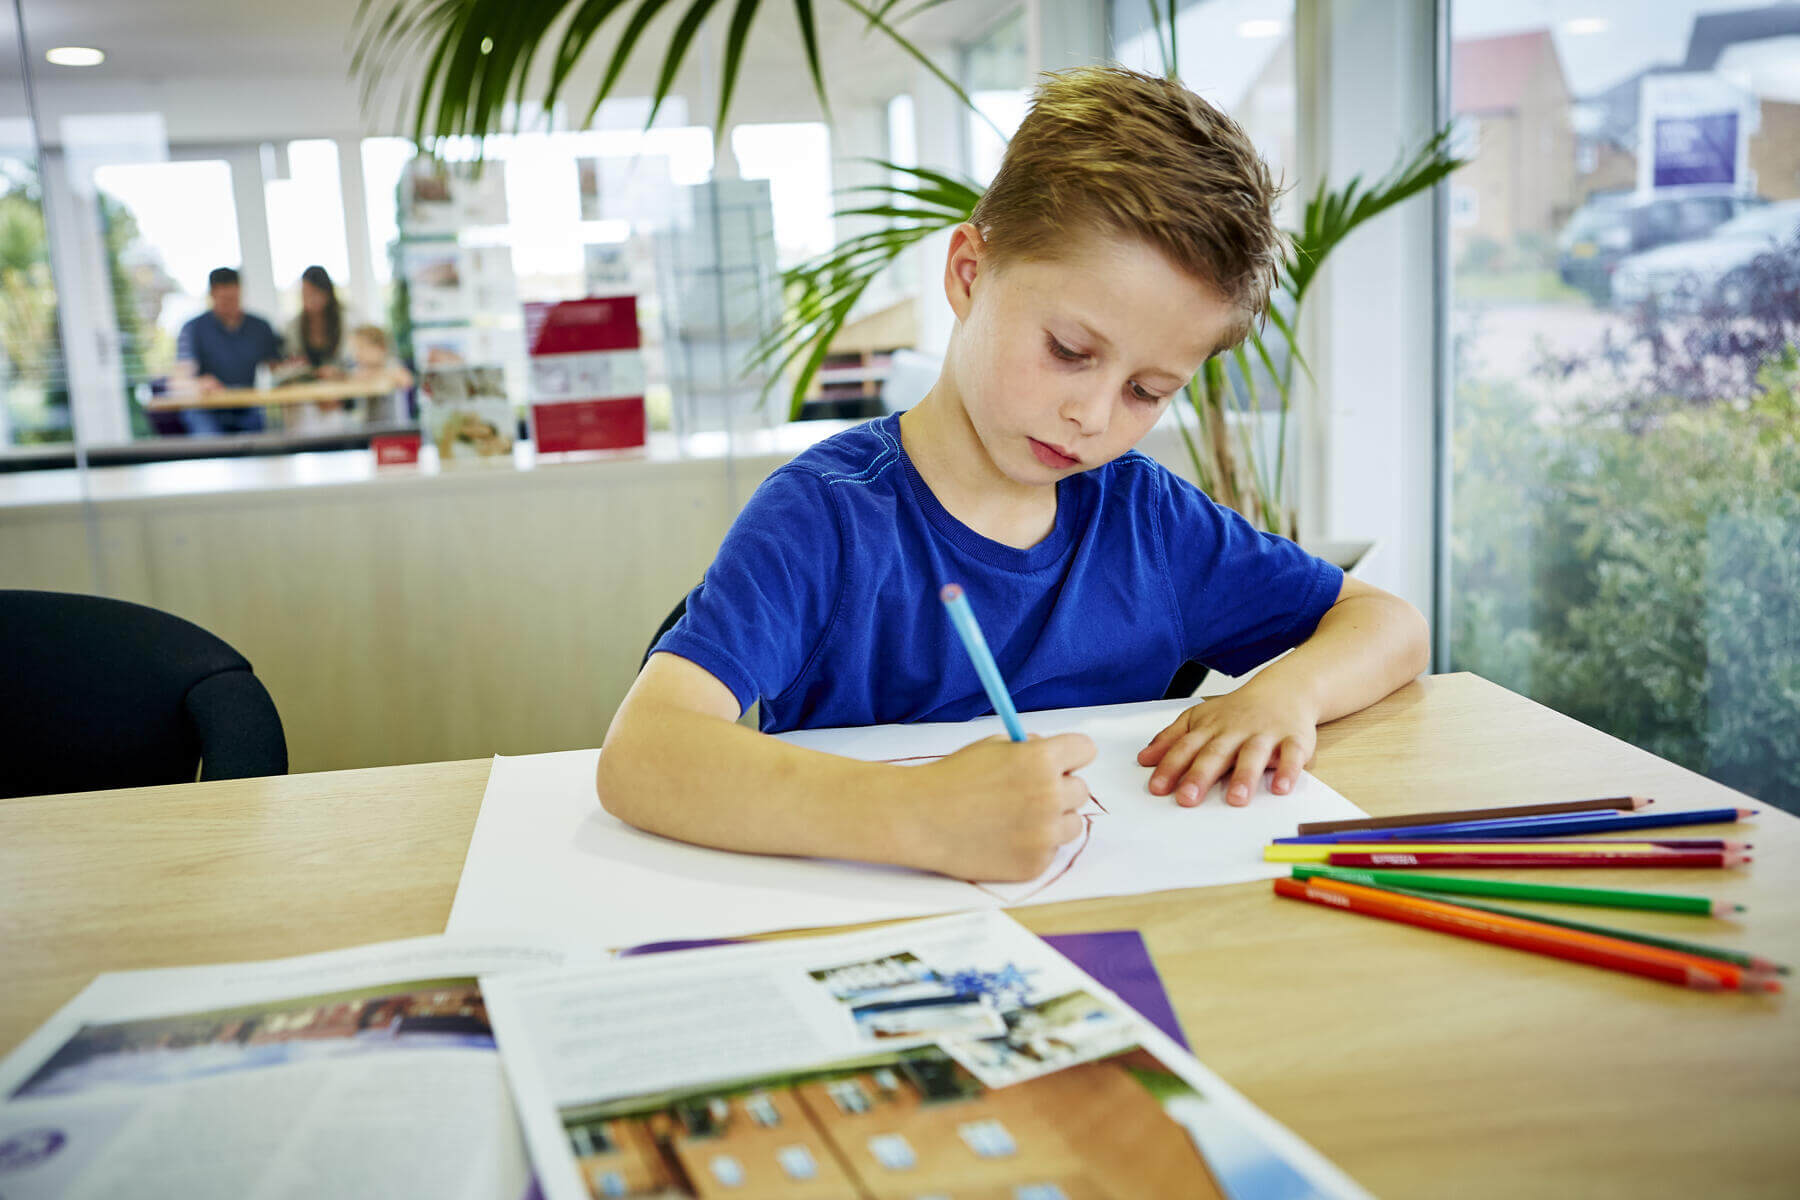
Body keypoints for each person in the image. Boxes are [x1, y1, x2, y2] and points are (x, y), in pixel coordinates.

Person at [599, 66, 1431, 883]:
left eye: (1147, 391)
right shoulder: (825, 520)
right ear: (968, 274)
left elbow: (1388, 625)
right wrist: (917, 813)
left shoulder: (1150, 523)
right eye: (1069, 351)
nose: (1095, 416)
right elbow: (644, 755)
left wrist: (1281, 696)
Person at [173, 267, 283, 435]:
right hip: (207, 410)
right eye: (223, 300)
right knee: (210, 442)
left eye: (233, 299)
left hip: (247, 407)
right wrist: (198, 384)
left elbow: (279, 368)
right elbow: (178, 381)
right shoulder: (193, 329)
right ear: (212, 296)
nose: (229, 305)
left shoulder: (260, 327)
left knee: (263, 441)